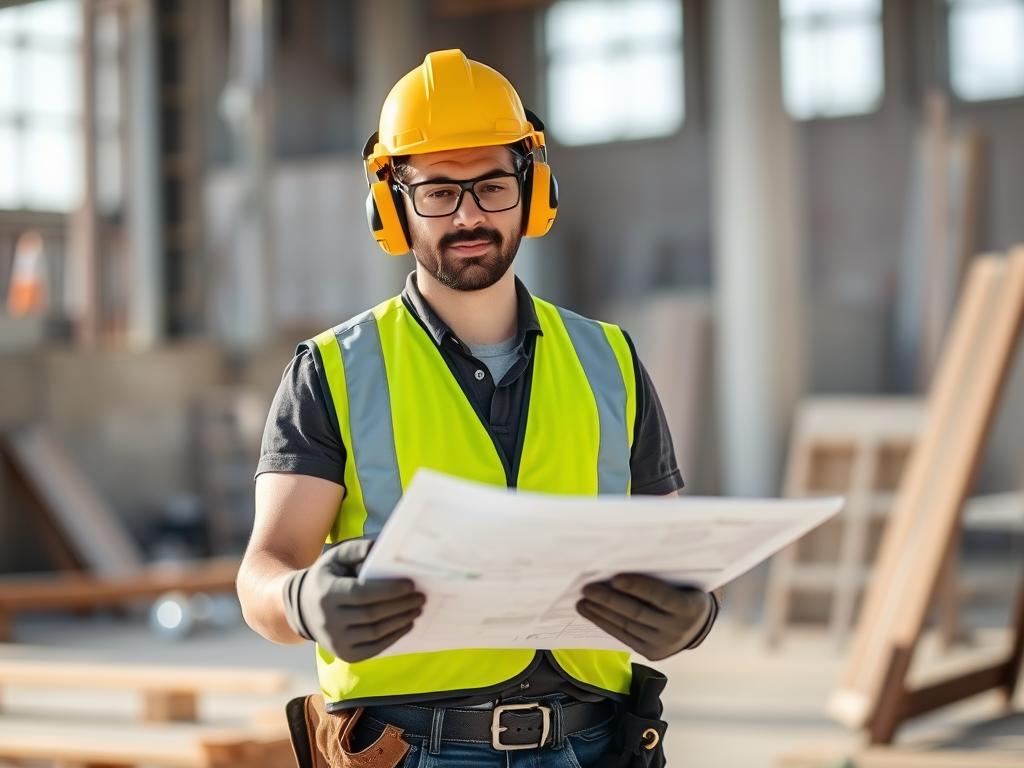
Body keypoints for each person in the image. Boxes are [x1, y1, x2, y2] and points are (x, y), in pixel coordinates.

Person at [238, 49, 718, 768]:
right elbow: (263, 572)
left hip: (594, 744)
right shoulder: (334, 369)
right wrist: (305, 601)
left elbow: (675, 555)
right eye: (438, 191)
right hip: (408, 751)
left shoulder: (609, 359)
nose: (468, 215)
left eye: (492, 186)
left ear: (534, 191)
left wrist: (695, 611)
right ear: (391, 206)